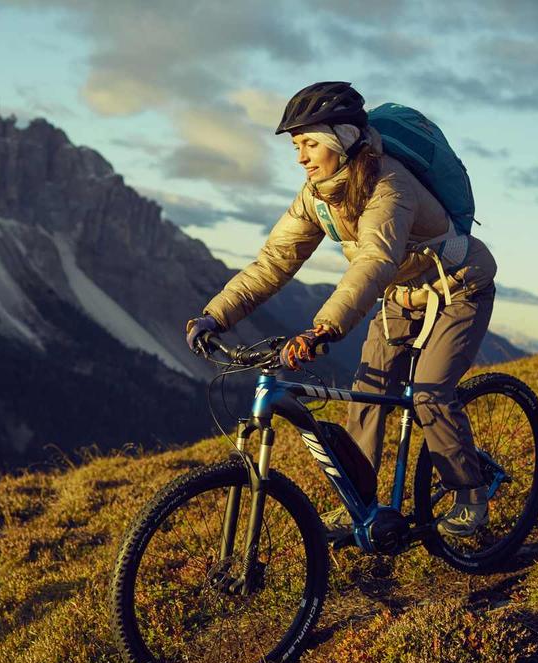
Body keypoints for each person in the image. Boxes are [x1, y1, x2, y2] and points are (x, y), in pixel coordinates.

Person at [185, 81, 498, 537]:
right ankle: (365, 507)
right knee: (366, 394)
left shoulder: (390, 186)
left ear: (344, 139)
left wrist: (323, 329)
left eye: (310, 143)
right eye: (297, 146)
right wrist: (216, 315)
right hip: (398, 298)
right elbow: (275, 261)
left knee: (429, 391)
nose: (301, 157)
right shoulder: (316, 195)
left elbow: (374, 260)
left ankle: (471, 493)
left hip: (458, 290)